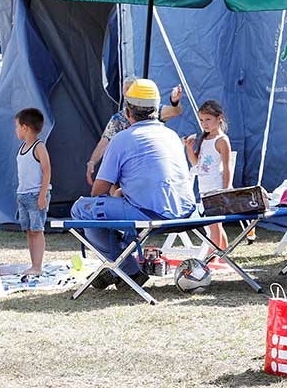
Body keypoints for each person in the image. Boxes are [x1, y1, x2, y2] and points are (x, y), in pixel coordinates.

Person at [71, 79, 195, 289]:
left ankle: (126, 269)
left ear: (127, 113)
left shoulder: (122, 139)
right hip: (186, 212)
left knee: (82, 209)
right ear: (157, 110)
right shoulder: (172, 136)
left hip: (151, 213)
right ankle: (120, 267)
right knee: (121, 211)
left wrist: (117, 194)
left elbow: (98, 191)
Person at [86, 78, 184, 185]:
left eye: (131, 88)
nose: (128, 91)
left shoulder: (152, 110)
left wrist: (175, 102)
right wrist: (92, 162)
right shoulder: (118, 119)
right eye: (126, 89)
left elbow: (175, 111)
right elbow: (104, 142)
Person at [184, 100, 233, 251]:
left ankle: (211, 254)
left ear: (219, 118)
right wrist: (189, 149)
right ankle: (223, 255)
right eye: (201, 120)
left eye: (208, 119)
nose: (204, 124)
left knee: (214, 225)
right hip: (204, 188)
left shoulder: (222, 140)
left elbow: (227, 167)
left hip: (216, 188)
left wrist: (225, 189)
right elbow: (196, 164)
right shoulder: (204, 139)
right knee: (215, 225)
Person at [15, 108, 52, 277]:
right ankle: (33, 264)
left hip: (36, 195)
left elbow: (47, 171)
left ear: (25, 127)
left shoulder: (39, 147)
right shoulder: (22, 147)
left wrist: (42, 195)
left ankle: (38, 265)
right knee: (29, 230)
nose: (15, 130)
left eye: (17, 126)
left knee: (37, 230)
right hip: (23, 195)